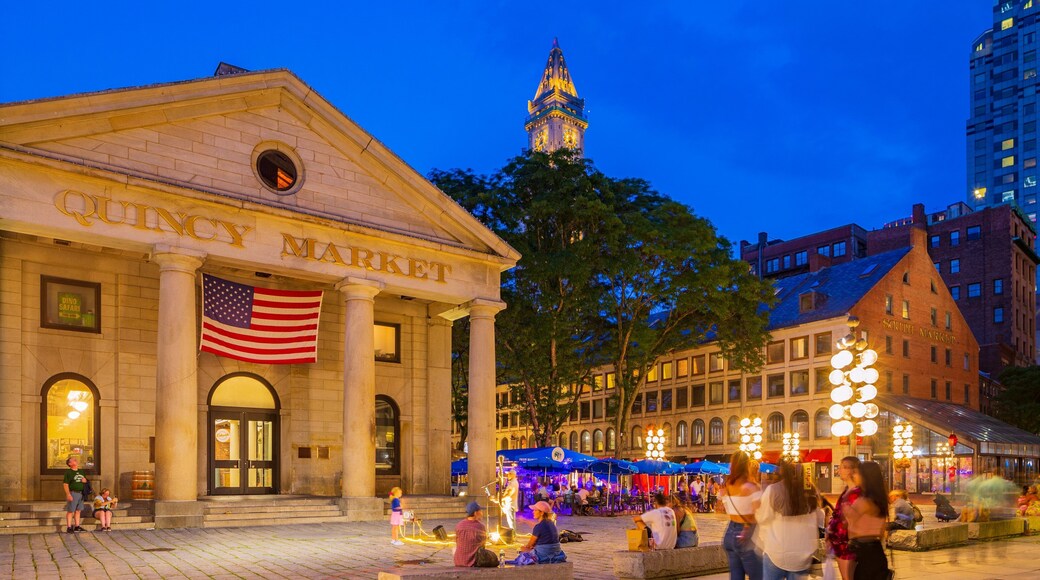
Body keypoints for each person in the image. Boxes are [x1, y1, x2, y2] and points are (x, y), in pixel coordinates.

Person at [755, 460, 822, 580]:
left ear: (782, 471)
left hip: (776, 552)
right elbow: (820, 520)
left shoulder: (773, 490)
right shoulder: (811, 490)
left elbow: (762, 517)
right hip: (802, 555)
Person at [722, 451, 763, 580]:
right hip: (745, 532)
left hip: (729, 533)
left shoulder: (728, 484)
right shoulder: (751, 486)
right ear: (746, 465)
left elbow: (722, 508)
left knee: (736, 575)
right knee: (758, 576)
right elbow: (758, 513)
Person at [845, 462, 889, 580]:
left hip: (863, 552)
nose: (853, 476)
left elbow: (846, 517)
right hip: (875, 550)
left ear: (865, 477)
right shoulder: (879, 499)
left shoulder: (865, 502)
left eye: (856, 473)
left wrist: (850, 489)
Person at [825, 456, 861, 580]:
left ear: (851, 470)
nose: (838, 470)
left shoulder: (856, 493)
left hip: (847, 542)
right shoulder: (847, 490)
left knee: (848, 577)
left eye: (841, 468)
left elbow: (850, 518)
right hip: (840, 541)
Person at [454, 501, 497, 567]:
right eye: (480, 511)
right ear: (475, 513)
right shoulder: (480, 526)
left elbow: (457, 541)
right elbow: (482, 545)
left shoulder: (459, 525)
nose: (482, 513)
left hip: (458, 561)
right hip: (473, 562)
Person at [62, 456, 89, 534]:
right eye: (73, 460)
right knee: (70, 511)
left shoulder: (81, 471)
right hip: (73, 493)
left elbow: (85, 480)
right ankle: (69, 527)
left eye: (75, 459)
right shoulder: (68, 472)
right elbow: (65, 484)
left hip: (81, 493)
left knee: (78, 510)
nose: (75, 460)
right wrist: (68, 494)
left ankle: (77, 526)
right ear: (70, 464)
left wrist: (85, 481)